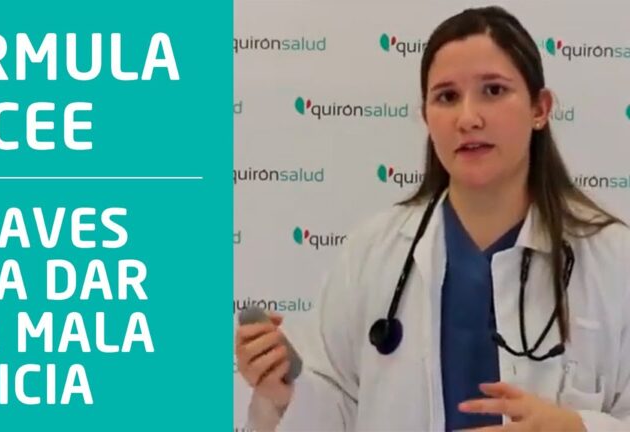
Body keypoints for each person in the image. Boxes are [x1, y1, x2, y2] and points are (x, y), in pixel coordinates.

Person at [235, 5, 630, 432]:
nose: (468, 118)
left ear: (540, 108)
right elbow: (335, 410)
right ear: (426, 116)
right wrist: (283, 391)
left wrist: (578, 427)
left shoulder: (612, 258)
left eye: (493, 90)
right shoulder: (372, 254)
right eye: (446, 97)